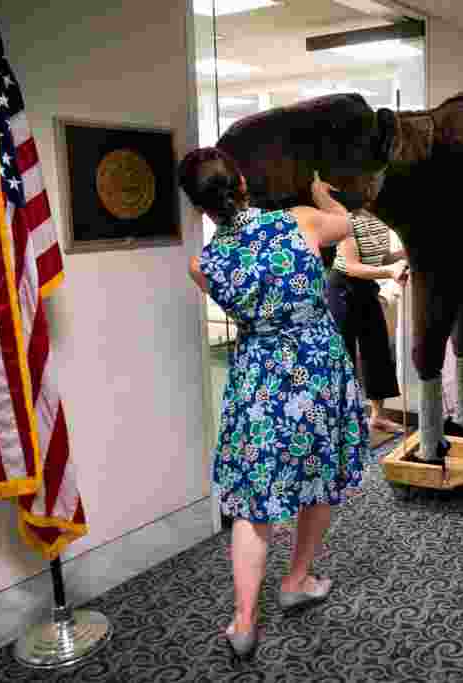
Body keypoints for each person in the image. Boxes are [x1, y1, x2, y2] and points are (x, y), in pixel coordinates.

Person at [178, 147, 371, 660]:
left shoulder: (205, 264)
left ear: (201, 207)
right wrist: (324, 197)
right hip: (315, 368)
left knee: (253, 501)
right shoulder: (300, 223)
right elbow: (348, 226)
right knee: (321, 477)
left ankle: (243, 621)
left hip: (258, 377)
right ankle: (297, 579)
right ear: (242, 182)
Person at [324, 209, 409, 434]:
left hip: (366, 286)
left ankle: (378, 417)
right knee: (345, 356)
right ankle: (344, 423)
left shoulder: (380, 219)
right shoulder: (346, 220)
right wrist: (389, 271)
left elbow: (381, 259)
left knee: (377, 350)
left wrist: (407, 253)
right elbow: (352, 265)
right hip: (342, 288)